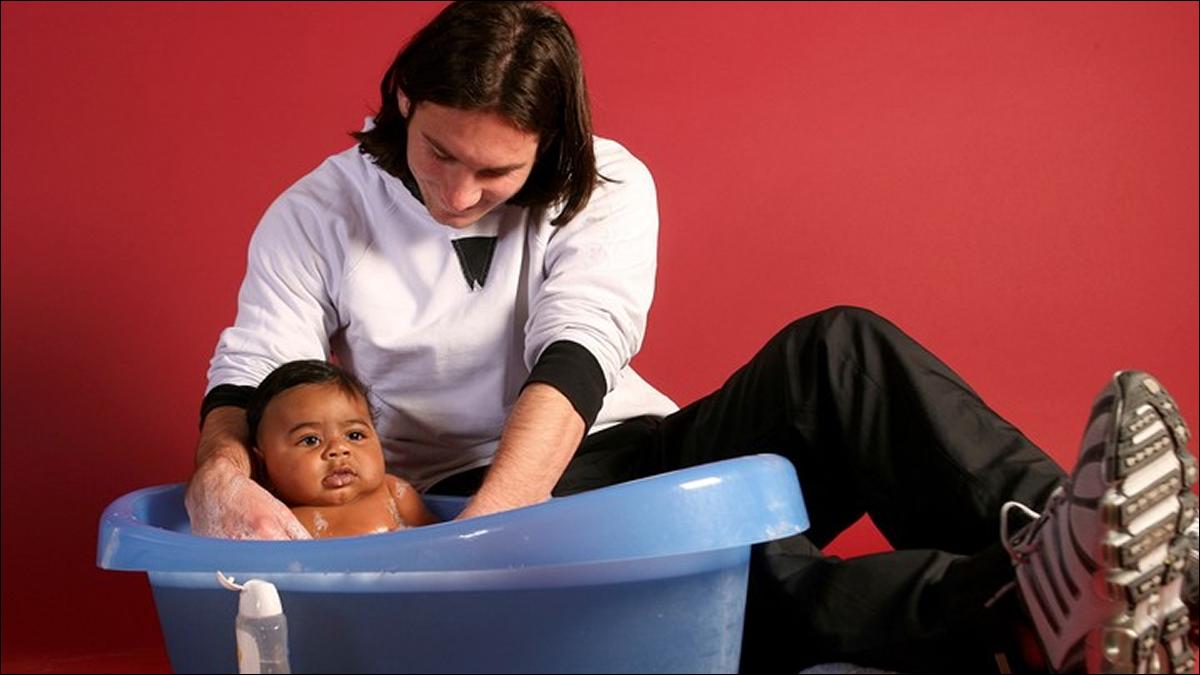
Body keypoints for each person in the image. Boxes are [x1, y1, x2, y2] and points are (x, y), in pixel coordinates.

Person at [184, 1, 1197, 672]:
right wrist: (222, 478)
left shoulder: (609, 182)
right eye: (439, 150)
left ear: (555, 147)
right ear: (404, 97)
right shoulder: (316, 213)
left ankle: (1081, 540)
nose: (458, 191)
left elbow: (577, 352)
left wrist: (506, 527)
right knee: (742, 573)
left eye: (496, 174)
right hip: (458, 501)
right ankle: (1031, 607)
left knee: (839, 348)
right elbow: (254, 372)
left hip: (605, 454)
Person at [245, 360, 438, 538]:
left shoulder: (395, 494)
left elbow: (437, 545)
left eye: (354, 435)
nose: (338, 449)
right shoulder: (272, 517)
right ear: (263, 465)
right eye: (311, 440)